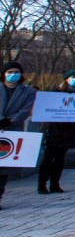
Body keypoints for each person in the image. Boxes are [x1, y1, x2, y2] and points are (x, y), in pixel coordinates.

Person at [37, 68, 75, 195]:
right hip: (54, 128)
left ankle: (55, 184)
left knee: (60, 158)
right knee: (47, 157)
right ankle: (42, 184)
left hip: (70, 129)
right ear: (66, 79)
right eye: (72, 77)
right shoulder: (56, 92)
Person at [0, 61, 36, 209]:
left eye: (16, 72)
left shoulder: (28, 91)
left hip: (12, 130)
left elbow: (25, 110)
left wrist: (10, 121)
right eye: (10, 72)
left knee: (4, 168)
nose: (13, 75)